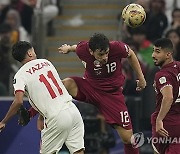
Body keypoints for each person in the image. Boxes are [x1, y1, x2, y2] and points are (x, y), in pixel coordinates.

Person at [58, 33, 147, 154]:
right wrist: (68, 48)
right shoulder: (82, 49)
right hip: (90, 88)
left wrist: (141, 77)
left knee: (128, 138)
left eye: (106, 53)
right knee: (65, 84)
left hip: (112, 95)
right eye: (100, 54)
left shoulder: (116, 47)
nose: (105, 57)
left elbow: (130, 54)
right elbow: (75, 47)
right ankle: (44, 115)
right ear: (90, 51)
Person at [0, 41, 84, 154]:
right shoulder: (46, 62)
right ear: (30, 53)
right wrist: (34, 115)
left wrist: (4, 121)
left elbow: (19, 101)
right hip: (72, 110)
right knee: (78, 151)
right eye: (33, 50)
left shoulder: (20, 75)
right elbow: (51, 93)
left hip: (56, 117)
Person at [151, 38, 180, 153]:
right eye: (153, 51)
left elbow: (168, 97)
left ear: (168, 54)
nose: (153, 55)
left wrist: (159, 119)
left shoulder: (162, 74)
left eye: (158, 52)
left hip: (166, 122)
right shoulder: (178, 66)